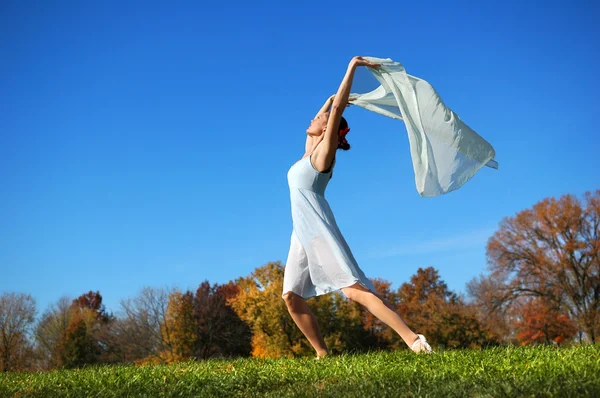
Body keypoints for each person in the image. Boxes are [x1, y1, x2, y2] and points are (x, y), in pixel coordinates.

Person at [281, 56, 433, 358]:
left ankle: (414, 340)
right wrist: (329, 100)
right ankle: (323, 355)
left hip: (317, 231)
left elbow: (335, 112)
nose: (314, 118)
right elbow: (329, 110)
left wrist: (353, 67)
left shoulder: (321, 158)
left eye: (321, 119)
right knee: (291, 297)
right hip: (301, 234)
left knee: (353, 291)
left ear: (328, 130)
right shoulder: (307, 154)